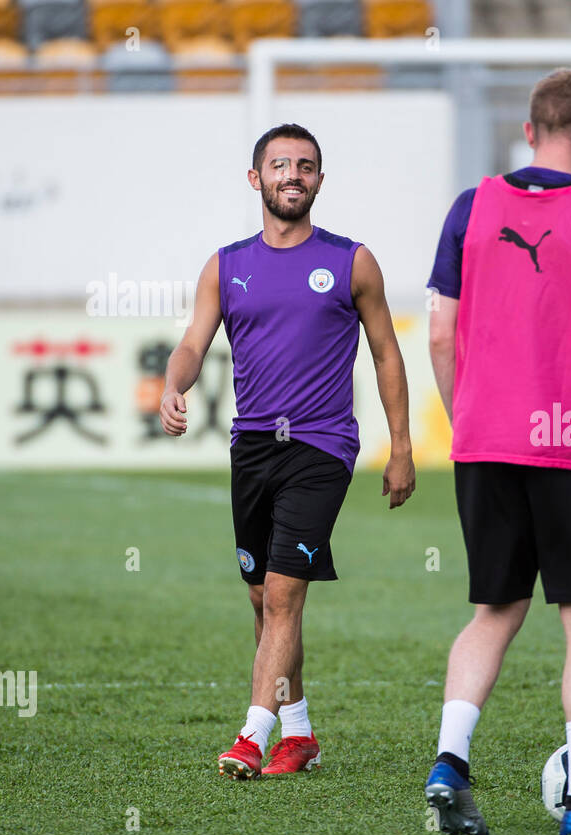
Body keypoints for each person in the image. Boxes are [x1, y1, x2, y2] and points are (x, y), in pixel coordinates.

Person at [424, 69, 571, 835]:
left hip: (485, 439)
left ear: (529, 131)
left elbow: (436, 330)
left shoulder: (470, 207)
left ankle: (449, 763)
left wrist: (466, 413)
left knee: (494, 608)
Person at [160, 123, 416, 779]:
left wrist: (401, 446)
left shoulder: (353, 260)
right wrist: (173, 383)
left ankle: (252, 734)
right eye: (280, 165)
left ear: (320, 181)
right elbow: (193, 341)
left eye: (305, 166)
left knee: (281, 596)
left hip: (322, 445)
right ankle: (298, 731)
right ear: (256, 179)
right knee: (260, 598)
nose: (292, 175)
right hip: (251, 446)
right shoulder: (226, 264)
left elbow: (387, 352)